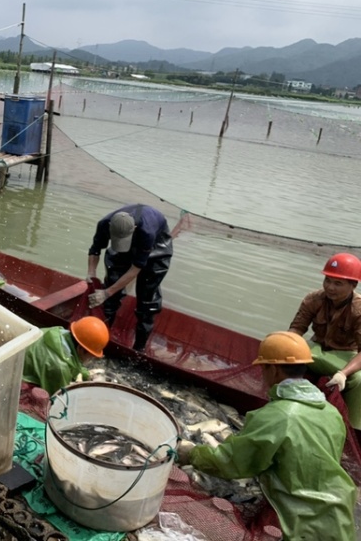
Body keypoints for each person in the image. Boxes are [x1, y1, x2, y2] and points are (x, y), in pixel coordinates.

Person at [177, 331, 357, 541]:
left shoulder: (276, 416)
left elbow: (232, 462)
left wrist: (192, 454)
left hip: (298, 525)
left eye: (263, 368)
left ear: (273, 369)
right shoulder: (331, 412)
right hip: (340, 515)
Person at [288, 252, 361, 430]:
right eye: (327, 280)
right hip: (316, 348)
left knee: (358, 380)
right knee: (283, 353)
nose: (330, 287)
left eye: (338, 283)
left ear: (353, 285)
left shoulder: (359, 310)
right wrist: (286, 345)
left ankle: (353, 429)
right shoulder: (313, 299)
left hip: (344, 354)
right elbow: (296, 330)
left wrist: (343, 374)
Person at [86, 203, 172, 352]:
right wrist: (91, 273)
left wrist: (107, 292)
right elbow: (95, 250)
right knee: (110, 294)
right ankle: (100, 340)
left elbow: (136, 269)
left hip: (157, 247)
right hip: (124, 236)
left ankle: (139, 349)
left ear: (134, 230)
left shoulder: (147, 232)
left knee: (147, 299)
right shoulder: (104, 224)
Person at [21, 316, 109, 395]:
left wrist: (87, 375)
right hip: (18, 380)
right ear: (81, 349)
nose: (91, 359)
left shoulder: (58, 332)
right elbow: (57, 396)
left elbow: (72, 360)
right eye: (91, 356)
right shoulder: (60, 369)